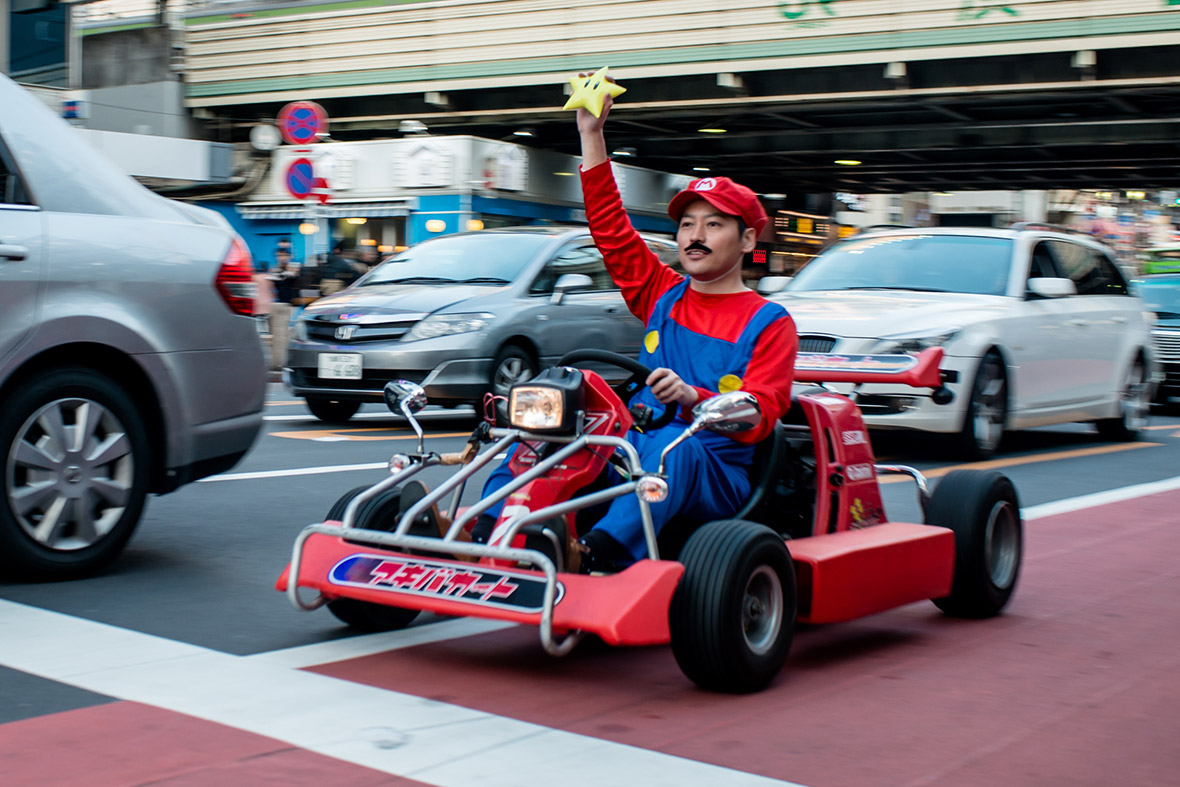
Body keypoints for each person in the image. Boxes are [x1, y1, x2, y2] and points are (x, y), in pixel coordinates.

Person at [470, 87, 799, 572]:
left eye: (713, 225)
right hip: (629, 442)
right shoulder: (661, 292)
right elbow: (610, 227)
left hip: (713, 469)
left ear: (747, 238)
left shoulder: (770, 323)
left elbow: (761, 413)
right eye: (687, 224)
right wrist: (591, 133)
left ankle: (593, 554)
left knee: (666, 450)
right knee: (547, 434)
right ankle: (484, 532)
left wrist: (692, 397)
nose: (695, 235)